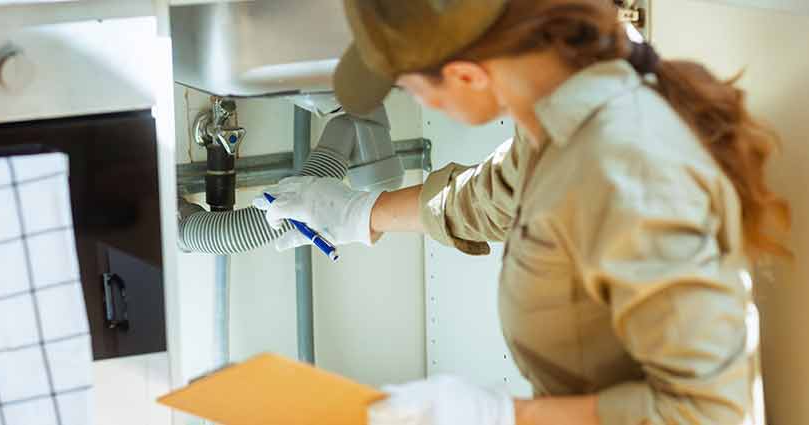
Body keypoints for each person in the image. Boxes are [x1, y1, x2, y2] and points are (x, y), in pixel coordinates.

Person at [254, 0, 790, 424]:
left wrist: (503, 416)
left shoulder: (628, 168)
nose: (413, 100)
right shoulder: (563, 116)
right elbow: (491, 196)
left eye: (409, 84)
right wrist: (357, 212)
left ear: (466, 75)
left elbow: (711, 413)